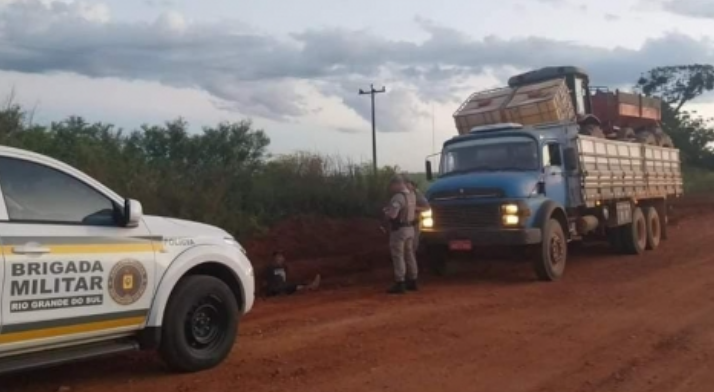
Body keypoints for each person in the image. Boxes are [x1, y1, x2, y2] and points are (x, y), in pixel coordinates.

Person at [383, 175, 418, 294]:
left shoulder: (398, 197)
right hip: (411, 228)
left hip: (399, 230)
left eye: (392, 185)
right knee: (409, 254)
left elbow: (393, 215)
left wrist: (386, 212)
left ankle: (400, 282)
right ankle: (413, 280)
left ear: (398, 184)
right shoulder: (412, 195)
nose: (391, 188)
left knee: (398, 255)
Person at [402, 173, 431, 252]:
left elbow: (427, 208)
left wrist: (415, 208)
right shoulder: (401, 195)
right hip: (403, 225)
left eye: (408, 183)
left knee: (412, 247)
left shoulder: (418, 195)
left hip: (414, 224)